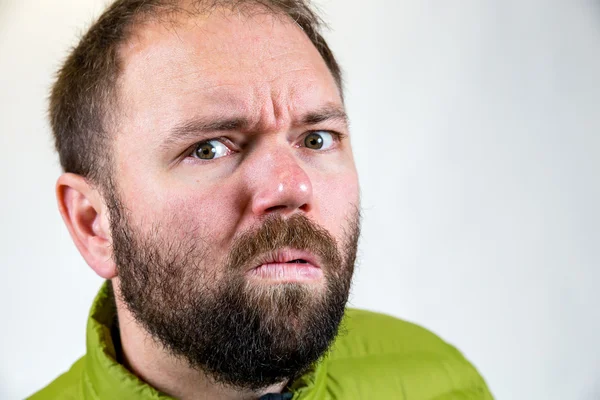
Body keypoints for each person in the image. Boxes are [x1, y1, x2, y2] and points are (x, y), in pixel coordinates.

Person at [30, 0, 493, 399]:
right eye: (208, 148)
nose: (292, 187)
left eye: (316, 139)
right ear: (94, 223)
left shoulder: (440, 378)